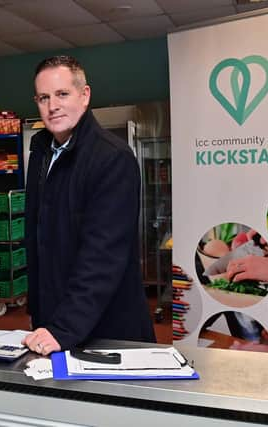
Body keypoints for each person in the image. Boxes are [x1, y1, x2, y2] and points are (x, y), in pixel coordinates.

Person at [22, 55, 156, 356]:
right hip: (56, 323)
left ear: (85, 96)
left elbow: (103, 256)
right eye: (44, 97)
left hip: (107, 330)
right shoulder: (42, 153)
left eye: (62, 94)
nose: (52, 106)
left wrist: (64, 327)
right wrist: (41, 314)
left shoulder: (112, 158)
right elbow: (38, 239)